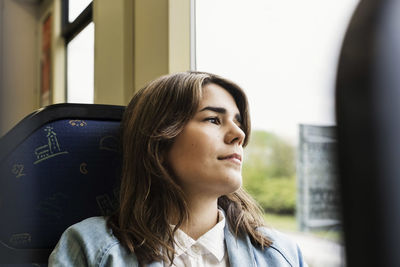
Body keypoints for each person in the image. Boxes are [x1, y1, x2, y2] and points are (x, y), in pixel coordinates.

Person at [49, 71, 306, 266]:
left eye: (238, 123)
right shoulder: (89, 248)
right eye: (214, 119)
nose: (239, 134)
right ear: (159, 142)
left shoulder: (282, 255)